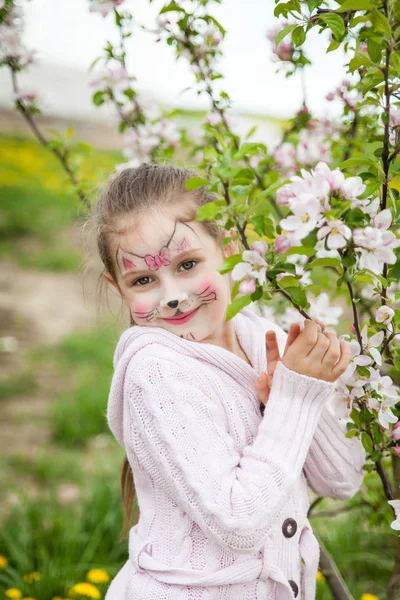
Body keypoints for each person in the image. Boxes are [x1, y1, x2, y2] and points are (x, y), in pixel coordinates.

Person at [86, 163, 366, 600]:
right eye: (143, 280)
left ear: (230, 249)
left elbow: (342, 480)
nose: (172, 295)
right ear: (118, 289)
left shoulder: (261, 336)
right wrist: (292, 399)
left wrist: (298, 398)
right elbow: (240, 523)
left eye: (188, 264)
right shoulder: (157, 373)